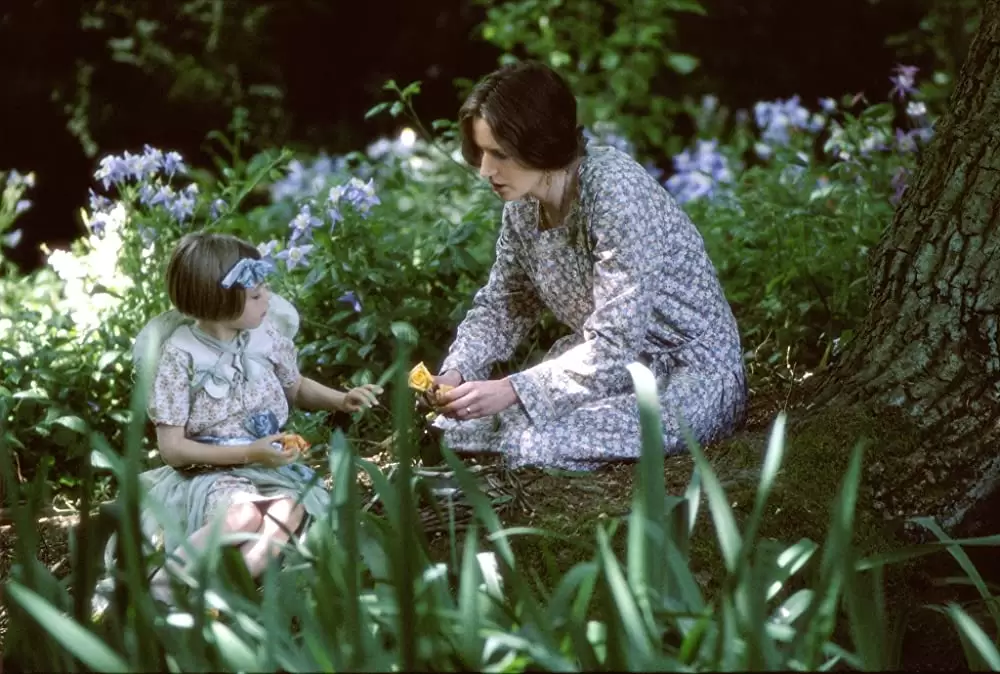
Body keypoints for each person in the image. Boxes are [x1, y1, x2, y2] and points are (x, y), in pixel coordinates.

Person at [431, 61, 747, 471]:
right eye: (481, 152)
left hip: (689, 376)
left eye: (499, 154)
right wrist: (456, 372)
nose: (486, 171)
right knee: (453, 429)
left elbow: (615, 344)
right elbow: (505, 305)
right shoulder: (523, 208)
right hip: (608, 369)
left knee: (534, 444)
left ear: (540, 144)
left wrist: (512, 389)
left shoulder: (614, 192)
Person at [108, 232, 381, 603]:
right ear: (218, 302)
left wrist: (340, 399)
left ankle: (219, 593)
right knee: (242, 516)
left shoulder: (264, 336)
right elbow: (172, 449)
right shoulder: (180, 356)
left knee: (289, 509)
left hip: (269, 467)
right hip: (212, 472)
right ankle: (161, 590)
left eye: (264, 288)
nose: (267, 298)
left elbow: (295, 386)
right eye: (255, 295)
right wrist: (251, 453)